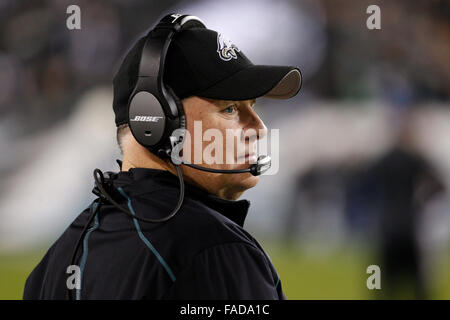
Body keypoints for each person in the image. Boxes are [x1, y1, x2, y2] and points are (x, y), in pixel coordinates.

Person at [23, 14, 302, 299]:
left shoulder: (55, 262)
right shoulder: (215, 250)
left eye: (253, 106)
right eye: (230, 108)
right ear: (155, 122)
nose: (259, 128)